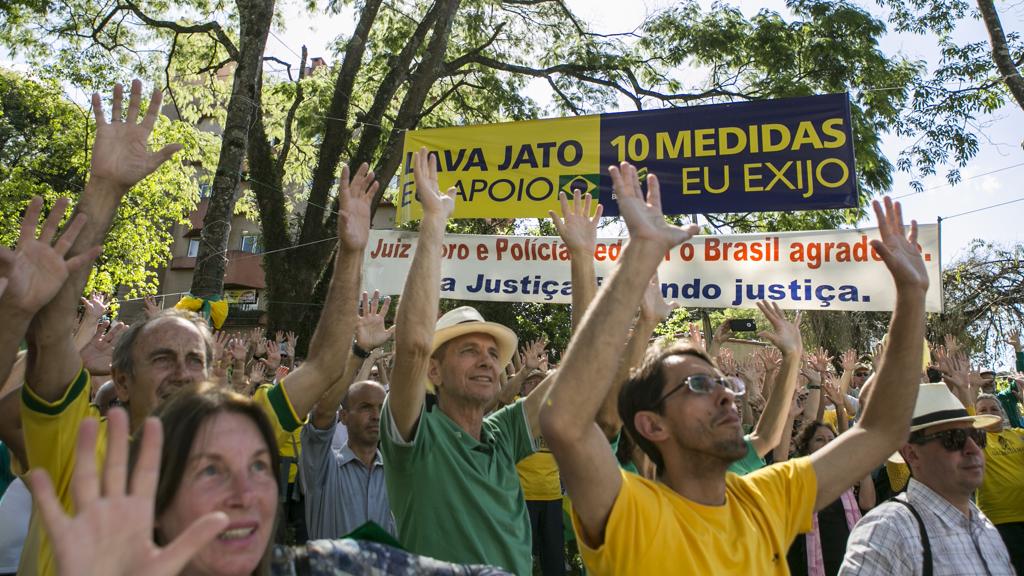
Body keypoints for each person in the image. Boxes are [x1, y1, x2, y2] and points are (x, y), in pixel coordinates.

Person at [18, 80, 375, 575]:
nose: (184, 374)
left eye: (196, 361)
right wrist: (105, 187)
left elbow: (325, 364)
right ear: (121, 380)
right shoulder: (75, 443)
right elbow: (52, 330)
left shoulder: (236, 440)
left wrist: (352, 251)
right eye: (162, 358)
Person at [540, 161, 932, 575]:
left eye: (721, 382)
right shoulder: (630, 510)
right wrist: (640, 255)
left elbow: (882, 429)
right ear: (652, 425)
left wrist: (911, 294)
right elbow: (567, 420)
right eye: (697, 384)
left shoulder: (765, 498)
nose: (726, 393)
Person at [26, 388, 512, 576]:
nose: (244, 496)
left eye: (259, 466)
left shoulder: (336, 567)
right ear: (157, 495)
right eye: (211, 470)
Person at [380, 148, 550, 576]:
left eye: (493, 353)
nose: (488, 362)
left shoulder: (504, 434)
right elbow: (414, 346)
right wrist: (434, 222)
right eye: (469, 350)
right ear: (433, 371)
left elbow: (580, 375)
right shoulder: (415, 435)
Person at [839, 383, 1012, 575]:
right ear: (911, 454)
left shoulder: (984, 525)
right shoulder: (888, 529)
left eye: (977, 436)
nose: (972, 448)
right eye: (953, 438)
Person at [783, 420, 875, 576]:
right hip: (805, 560)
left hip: (845, 560)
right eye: (819, 439)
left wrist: (862, 465)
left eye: (831, 440)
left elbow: (868, 503)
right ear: (807, 447)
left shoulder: (847, 476)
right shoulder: (798, 477)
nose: (827, 443)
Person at [974, 393, 1024, 573]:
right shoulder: (976, 441)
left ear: (1002, 414)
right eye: (983, 410)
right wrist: (966, 388)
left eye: (994, 409)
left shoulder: (1018, 435)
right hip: (999, 521)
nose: (989, 412)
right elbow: (966, 423)